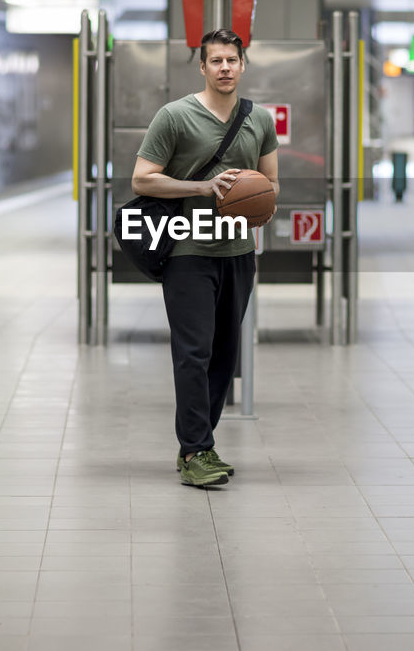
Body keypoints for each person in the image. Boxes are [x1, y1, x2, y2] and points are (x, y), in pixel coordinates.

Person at [131, 29, 279, 487]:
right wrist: (202, 188)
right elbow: (142, 179)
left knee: (223, 355)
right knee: (193, 352)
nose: (225, 68)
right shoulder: (174, 117)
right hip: (188, 251)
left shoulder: (260, 120)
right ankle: (197, 448)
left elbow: (271, 185)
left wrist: (256, 202)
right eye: (215, 61)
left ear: (243, 64)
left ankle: (198, 444)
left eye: (232, 60)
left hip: (237, 253)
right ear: (202, 67)